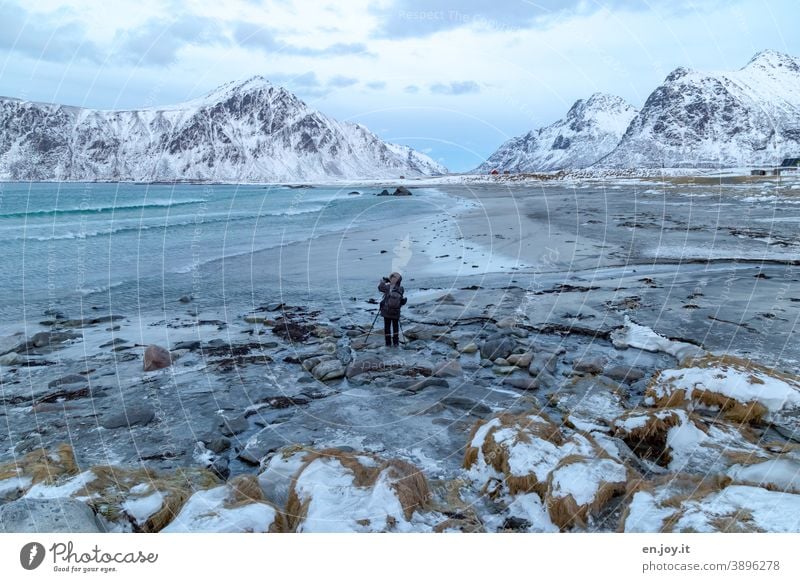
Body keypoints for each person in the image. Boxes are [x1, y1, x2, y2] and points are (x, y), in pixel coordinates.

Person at [378, 272, 407, 347]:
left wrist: (384, 281)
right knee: (395, 327)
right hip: (396, 312)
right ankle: (396, 343)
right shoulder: (401, 289)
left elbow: (380, 287)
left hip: (386, 311)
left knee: (387, 327)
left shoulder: (388, 287)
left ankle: (388, 344)